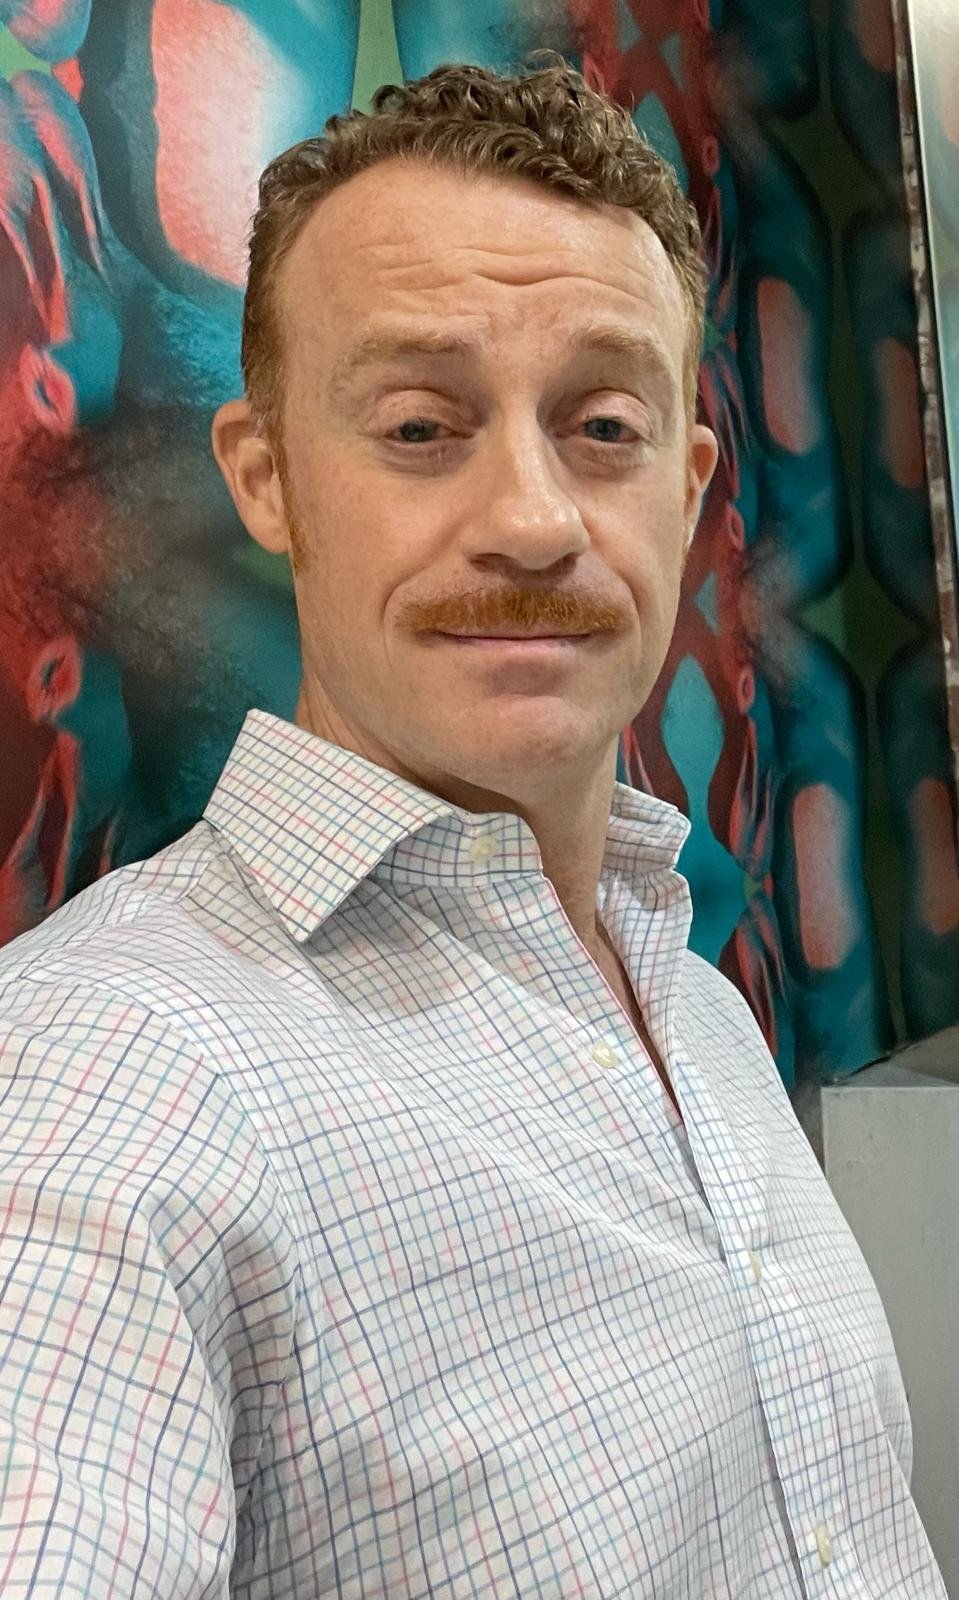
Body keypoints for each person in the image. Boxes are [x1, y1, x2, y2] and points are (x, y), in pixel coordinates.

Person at [0, 58, 945, 1599]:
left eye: (605, 425)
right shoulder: (106, 1075)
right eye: (422, 426)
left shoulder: (696, 1006)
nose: (531, 519)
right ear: (266, 478)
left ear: (689, 485)